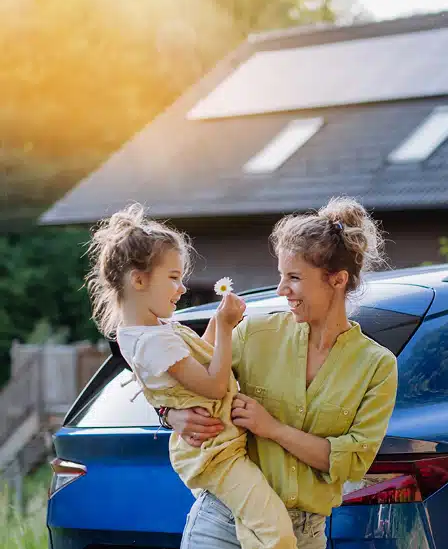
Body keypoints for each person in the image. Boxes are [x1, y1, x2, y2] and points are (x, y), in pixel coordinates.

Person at [166, 196, 398, 549]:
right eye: (281, 276)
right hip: (225, 518)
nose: (281, 290)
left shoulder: (376, 366)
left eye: (294, 278)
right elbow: (185, 380)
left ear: (337, 280)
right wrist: (170, 414)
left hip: (301, 534)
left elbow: (351, 462)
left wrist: (271, 428)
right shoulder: (254, 334)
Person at [85, 204, 297, 549]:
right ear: (138, 280)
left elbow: (197, 361)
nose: (182, 288)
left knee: (253, 532)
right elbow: (213, 386)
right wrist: (226, 329)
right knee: (278, 533)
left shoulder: (150, 331)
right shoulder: (152, 341)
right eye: (173, 278)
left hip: (220, 446)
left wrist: (215, 322)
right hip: (217, 453)